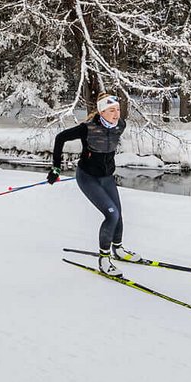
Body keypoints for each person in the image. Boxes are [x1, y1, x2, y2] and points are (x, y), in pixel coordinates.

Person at [48, 93, 129, 268]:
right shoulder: (88, 128)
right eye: (111, 110)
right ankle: (104, 259)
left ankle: (119, 249)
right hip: (88, 177)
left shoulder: (120, 125)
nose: (116, 114)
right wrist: (56, 167)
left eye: (118, 109)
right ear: (101, 112)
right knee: (111, 214)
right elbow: (60, 138)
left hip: (107, 178)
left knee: (118, 214)